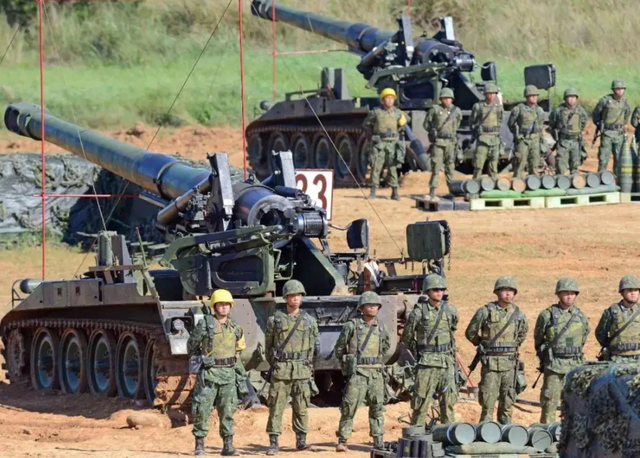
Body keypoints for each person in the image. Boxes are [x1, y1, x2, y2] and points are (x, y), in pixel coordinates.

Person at [188, 289, 248, 456]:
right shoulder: (205, 324)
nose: (224, 307)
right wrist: (202, 359)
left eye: (227, 304)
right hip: (209, 375)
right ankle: (200, 446)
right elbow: (191, 346)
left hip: (228, 375)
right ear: (214, 306)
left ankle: (228, 446)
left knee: (228, 411)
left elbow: (238, 352)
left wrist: (240, 377)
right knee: (202, 410)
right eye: (220, 304)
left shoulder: (236, 328)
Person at [265, 279, 320, 455]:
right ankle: (274, 442)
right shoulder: (275, 320)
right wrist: (277, 364)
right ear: (286, 298)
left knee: (301, 407)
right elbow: (268, 347)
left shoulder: (310, 321)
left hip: (302, 370)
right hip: (281, 370)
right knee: (276, 407)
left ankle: (301, 441)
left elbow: (314, 348)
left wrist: (307, 366)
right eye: (292, 295)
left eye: (298, 295)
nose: (296, 298)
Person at [465, 276, 528, 424]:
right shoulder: (485, 311)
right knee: (487, 403)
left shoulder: (518, 314)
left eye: (511, 291)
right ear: (497, 292)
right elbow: (470, 332)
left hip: (510, 364)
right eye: (505, 290)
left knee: (507, 403)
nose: (508, 294)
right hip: (491, 364)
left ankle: (506, 432)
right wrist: (483, 344)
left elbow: (522, 333)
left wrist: (510, 347)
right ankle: (486, 432)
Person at [335, 291, 390, 452]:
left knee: (377, 408)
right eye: (369, 305)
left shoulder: (381, 327)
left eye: (375, 305)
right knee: (349, 407)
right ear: (361, 308)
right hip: (358, 373)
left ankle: (378, 440)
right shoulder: (351, 326)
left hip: (376, 373)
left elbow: (385, 346)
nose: (372, 308)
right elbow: (339, 348)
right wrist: (348, 365)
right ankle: (343, 440)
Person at [402, 274, 459, 425]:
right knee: (421, 403)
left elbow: (453, 329)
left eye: (441, 289)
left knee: (448, 402)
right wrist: (420, 352)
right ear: (427, 291)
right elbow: (407, 337)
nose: (439, 292)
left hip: (446, 361)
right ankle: (417, 434)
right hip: (427, 363)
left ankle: (447, 433)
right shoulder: (418, 312)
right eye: (435, 290)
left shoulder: (450, 310)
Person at [533, 277, 589, 424]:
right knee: (549, 400)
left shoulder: (580, 316)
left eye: (572, 293)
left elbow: (584, 335)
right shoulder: (547, 315)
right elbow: (538, 338)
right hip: (554, 365)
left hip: (574, 365)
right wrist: (545, 355)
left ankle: (571, 432)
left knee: (574, 401)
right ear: (558, 294)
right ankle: (547, 430)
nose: (569, 296)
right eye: (565, 293)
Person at [363, 87, 407, 200]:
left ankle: (395, 192)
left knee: (392, 168)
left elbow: (403, 125)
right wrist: (372, 137)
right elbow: (366, 125)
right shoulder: (376, 112)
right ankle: (373, 191)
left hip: (392, 144)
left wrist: (395, 135)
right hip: (380, 144)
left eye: (392, 98)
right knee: (376, 167)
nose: (390, 100)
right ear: (383, 100)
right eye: (387, 98)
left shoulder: (397, 113)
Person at [423, 88, 462, 200]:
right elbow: (426, 124)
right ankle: (432, 191)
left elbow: (457, 124)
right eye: (445, 98)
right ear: (441, 99)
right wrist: (433, 131)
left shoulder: (456, 110)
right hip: (438, 142)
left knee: (450, 167)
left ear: (452, 99)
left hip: (451, 143)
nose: (447, 100)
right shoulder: (435, 109)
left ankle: (452, 191)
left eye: (449, 98)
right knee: (436, 167)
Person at [595, 275, 640, 363]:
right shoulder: (613, 311)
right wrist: (611, 347)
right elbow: (600, 333)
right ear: (622, 292)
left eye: (636, 290)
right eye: (629, 290)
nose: (633, 293)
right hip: (617, 359)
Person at [592, 79, 631, 172]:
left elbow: (627, 115)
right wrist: (600, 124)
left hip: (619, 133)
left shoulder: (625, 102)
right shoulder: (605, 100)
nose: (620, 90)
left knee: (619, 157)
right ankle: (601, 175)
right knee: (603, 157)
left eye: (622, 89)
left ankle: (617, 176)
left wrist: (621, 125)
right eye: (618, 88)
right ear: (613, 89)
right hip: (607, 133)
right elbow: (596, 114)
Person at [548, 88, 589, 175]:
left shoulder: (581, 111)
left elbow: (583, 121)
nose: (571, 99)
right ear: (565, 98)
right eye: (569, 97)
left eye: (573, 97)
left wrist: (577, 130)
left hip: (576, 141)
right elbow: (552, 123)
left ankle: (574, 180)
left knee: (575, 165)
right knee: (560, 166)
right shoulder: (558, 111)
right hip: (563, 141)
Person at [507, 85, 545, 177]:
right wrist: (517, 134)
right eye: (532, 96)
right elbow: (511, 124)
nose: (535, 97)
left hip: (535, 139)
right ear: (527, 97)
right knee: (520, 162)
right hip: (522, 139)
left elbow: (540, 125)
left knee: (535, 163)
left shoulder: (539, 110)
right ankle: (517, 181)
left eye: (536, 95)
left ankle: (533, 181)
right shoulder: (518, 109)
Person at [470, 82, 503, 179]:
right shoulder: (478, 106)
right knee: (478, 165)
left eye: (494, 93)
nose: (492, 96)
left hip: (495, 139)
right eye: (490, 93)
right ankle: (475, 184)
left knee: (493, 165)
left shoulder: (498, 107)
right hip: (483, 139)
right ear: (485, 94)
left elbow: (500, 121)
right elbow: (472, 121)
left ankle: (493, 183)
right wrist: (477, 130)